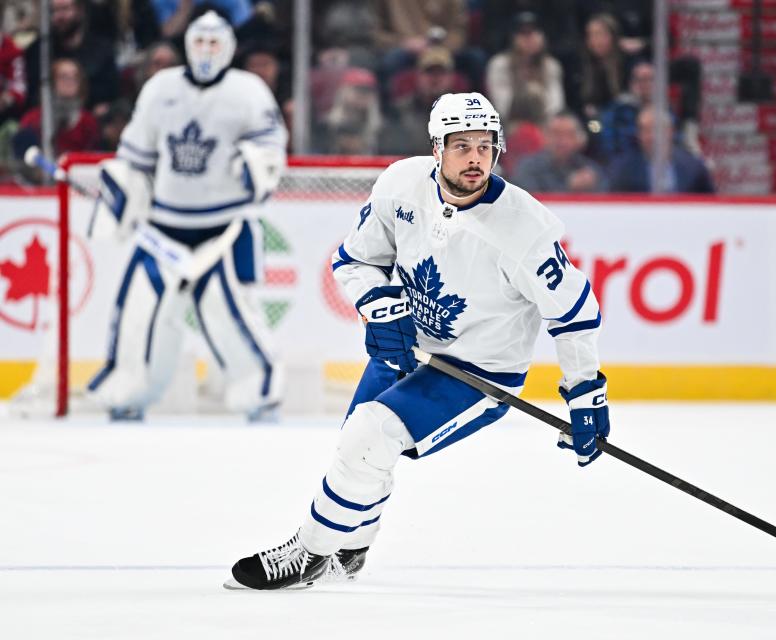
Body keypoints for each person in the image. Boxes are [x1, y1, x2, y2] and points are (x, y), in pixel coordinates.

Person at [225, 92, 610, 590]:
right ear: (436, 148)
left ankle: (310, 553)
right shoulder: (400, 185)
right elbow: (354, 261)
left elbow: (575, 312)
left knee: (370, 436)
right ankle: (352, 546)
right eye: (461, 145)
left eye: (485, 146)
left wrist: (586, 393)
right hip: (410, 348)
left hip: (478, 373)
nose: (475, 158)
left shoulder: (524, 229)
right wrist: (379, 303)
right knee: (358, 445)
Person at [84, 11, 287, 421]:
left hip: (225, 227)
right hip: (164, 227)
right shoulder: (160, 89)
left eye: (214, 44)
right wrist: (123, 190)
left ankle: (259, 395)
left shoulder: (248, 91)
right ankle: (128, 393)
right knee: (141, 313)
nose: (206, 52)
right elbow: (136, 154)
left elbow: (271, 146)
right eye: (199, 43)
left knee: (230, 314)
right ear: (187, 46)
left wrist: (255, 165)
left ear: (228, 47)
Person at [609, 106, 714, 193]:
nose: (651, 137)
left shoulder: (693, 168)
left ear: (670, 132)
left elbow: (708, 205)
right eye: (645, 130)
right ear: (638, 135)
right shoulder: (623, 170)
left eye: (657, 129)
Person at [484, 11, 565, 123]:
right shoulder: (499, 64)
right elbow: (503, 106)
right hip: (510, 125)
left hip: (545, 124)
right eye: (523, 33)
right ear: (513, 38)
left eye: (534, 32)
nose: (530, 38)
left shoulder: (551, 65)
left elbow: (556, 106)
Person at [511, 111, 607, 192]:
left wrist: (592, 186)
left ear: (580, 139)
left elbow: (607, 194)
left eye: (569, 135)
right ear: (544, 136)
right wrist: (568, 188)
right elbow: (529, 201)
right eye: (556, 134)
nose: (563, 141)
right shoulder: (528, 167)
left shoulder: (588, 168)